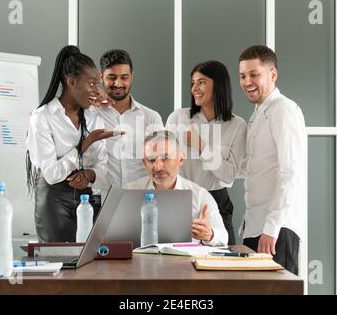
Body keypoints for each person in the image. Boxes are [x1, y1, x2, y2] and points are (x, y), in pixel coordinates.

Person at [26, 45, 122, 243]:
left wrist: (89, 174)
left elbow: (102, 164)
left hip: (87, 198)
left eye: (98, 85)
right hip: (54, 199)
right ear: (71, 82)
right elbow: (52, 175)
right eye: (92, 84)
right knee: (60, 262)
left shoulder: (93, 115)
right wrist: (86, 143)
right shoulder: (43, 117)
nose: (98, 91)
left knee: (89, 263)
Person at [238, 45, 307, 275]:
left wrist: (272, 227)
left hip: (276, 230)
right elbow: (255, 168)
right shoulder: (258, 114)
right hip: (256, 226)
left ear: (273, 74)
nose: (247, 81)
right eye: (243, 76)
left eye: (254, 75)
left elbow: (291, 173)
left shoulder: (283, 111)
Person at [166, 60, 246, 245]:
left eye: (201, 82)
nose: (194, 88)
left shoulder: (237, 126)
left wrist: (202, 147)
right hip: (180, 198)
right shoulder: (178, 118)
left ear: (218, 85)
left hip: (217, 200)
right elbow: (165, 162)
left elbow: (228, 176)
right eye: (192, 82)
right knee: (176, 261)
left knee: (224, 265)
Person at [125, 130, 228, 247]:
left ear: (180, 159)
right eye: (151, 160)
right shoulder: (128, 192)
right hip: (140, 262)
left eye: (165, 158)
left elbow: (223, 237)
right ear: (144, 163)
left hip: (185, 263)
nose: (158, 167)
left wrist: (209, 234)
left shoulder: (199, 195)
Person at [90, 49, 164, 187]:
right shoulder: (89, 113)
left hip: (142, 198)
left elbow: (161, 161)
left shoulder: (151, 118)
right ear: (101, 77)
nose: (118, 84)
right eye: (111, 77)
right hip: (100, 199)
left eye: (124, 77)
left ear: (132, 76)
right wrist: (90, 94)